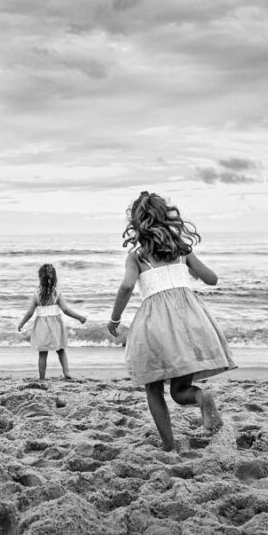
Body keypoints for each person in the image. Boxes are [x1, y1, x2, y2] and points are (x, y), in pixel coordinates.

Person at [106, 191, 236, 451]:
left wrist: (115, 318)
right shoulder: (182, 250)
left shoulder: (137, 256)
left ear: (137, 222)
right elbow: (212, 279)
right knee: (180, 390)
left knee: (153, 388)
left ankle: (168, 445)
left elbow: (127, 286)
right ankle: (201, 397)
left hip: (156, 324)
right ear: (167, 218)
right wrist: (189, 271)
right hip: (190, 319)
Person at [17, 263, 87, 380]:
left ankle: (42, 378)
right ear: (55, 278)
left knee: (42, 354)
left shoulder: (36, 296)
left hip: (41, 327)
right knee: (61, 350)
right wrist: (79, 317)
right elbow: (65, 309)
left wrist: (22, 323)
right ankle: (66, 372)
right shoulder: (57, 294)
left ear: (40, 278)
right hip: (56, 326)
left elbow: (30, 313)